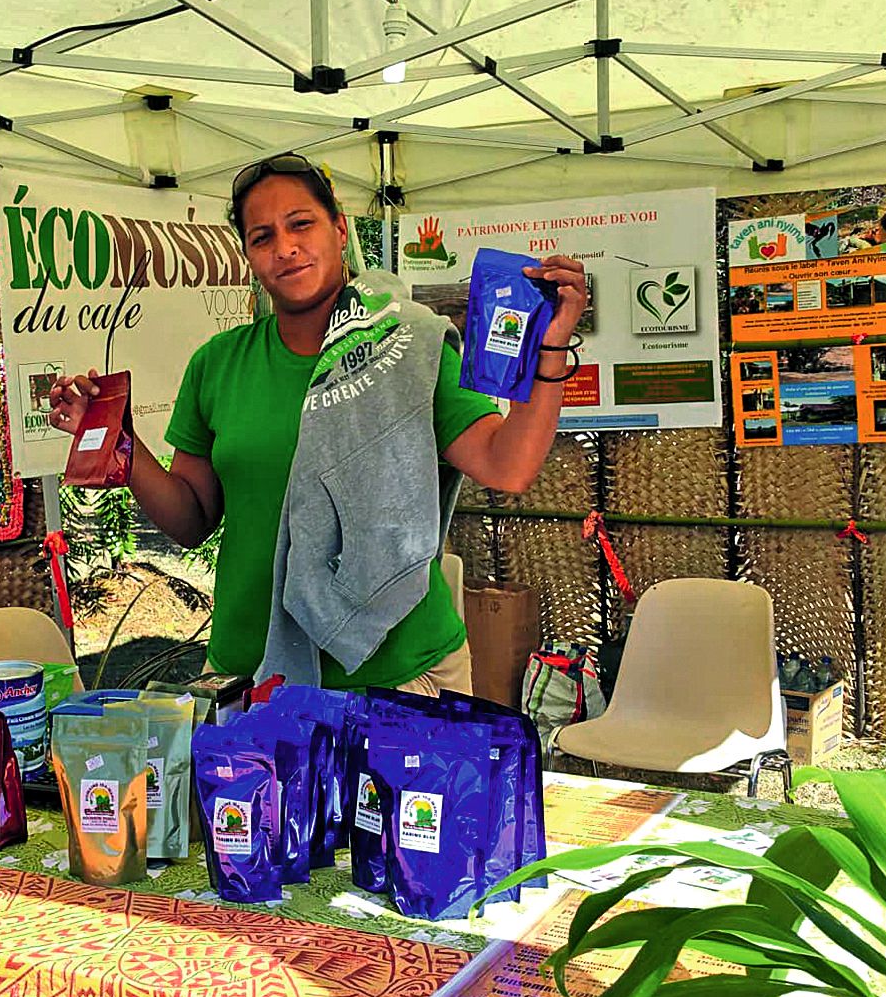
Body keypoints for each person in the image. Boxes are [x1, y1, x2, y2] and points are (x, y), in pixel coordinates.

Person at [49, 154, 587, 697]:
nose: (285, 247)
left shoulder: (408, 345)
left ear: (339, 229)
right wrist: (122, 444)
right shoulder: (219, 364)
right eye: (262, 237)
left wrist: (550, 349)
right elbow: (192, 519)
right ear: (249, 258)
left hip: (397, 673)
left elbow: (508, 465)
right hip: (252, 674)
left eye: (300, 224)